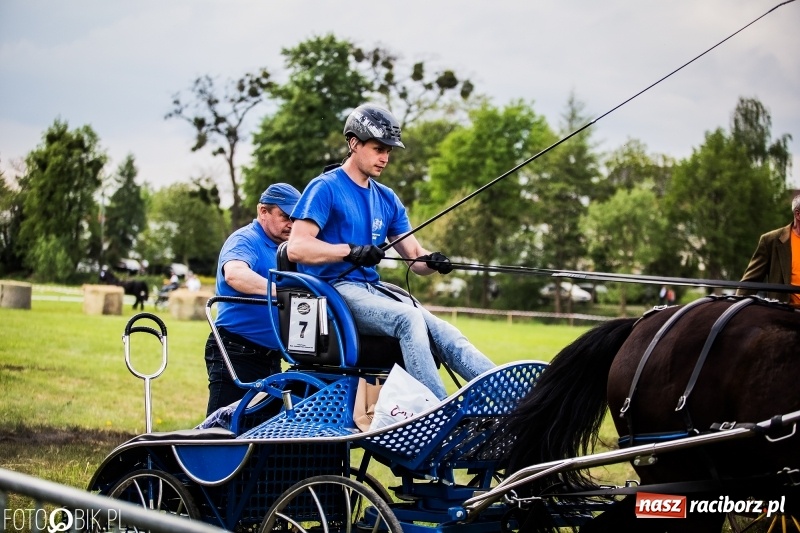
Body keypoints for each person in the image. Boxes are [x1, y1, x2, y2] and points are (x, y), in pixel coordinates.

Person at [287, 104, 495, 400]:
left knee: (443, 329)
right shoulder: (325, 188)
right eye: (378, 148)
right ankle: (435, 413)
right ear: (353, 143)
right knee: (409, 319)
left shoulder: (387, 198)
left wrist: (432, 261)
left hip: (373, 289)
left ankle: (508, 398)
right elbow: (297, 247)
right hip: (334, 291)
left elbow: (414, 259)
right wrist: (350, 251)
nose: (384, 158)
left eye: (389, 151)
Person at [204, 183, 301, 415]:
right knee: (223, 431)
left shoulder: (291, 250)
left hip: (271, 358)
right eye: (285, 216)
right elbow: (235, 274)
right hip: (236, 352)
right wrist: (283, 293)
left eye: (296, 218)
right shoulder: (245, 240)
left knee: (261, 433)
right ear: (262, 212)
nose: (292, 223)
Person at [737, 193, 800, 307]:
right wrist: (733, 309)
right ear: (798, 214)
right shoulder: (771, 241)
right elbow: (751, 282)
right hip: (784, 315)